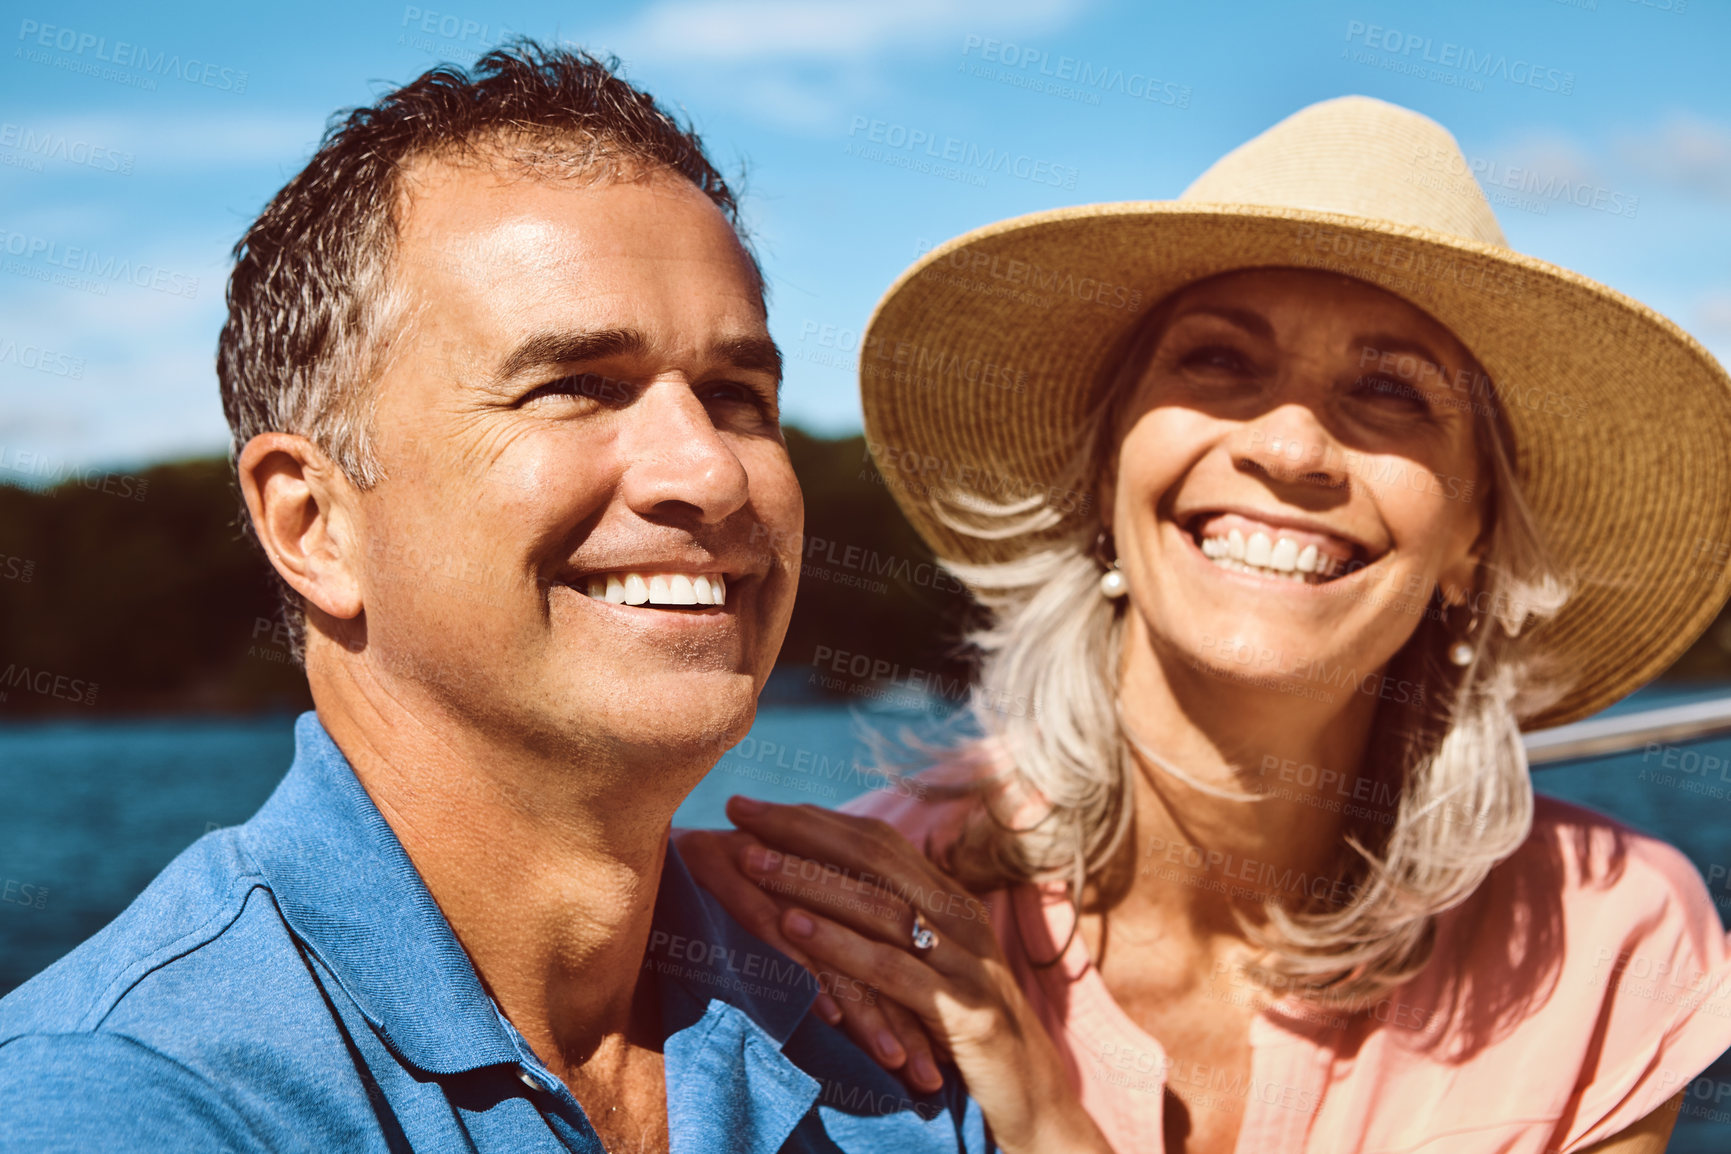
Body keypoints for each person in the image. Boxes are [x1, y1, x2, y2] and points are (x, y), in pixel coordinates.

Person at [0, 43, 1112, 1154]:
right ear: (311, 523)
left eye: (738, 395)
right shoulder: (123, 1096)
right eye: (578, 385)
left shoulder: (879, 1029)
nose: (711, 469)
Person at [678, 95, 1731, 1153]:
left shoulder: (1609, 934)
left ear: (1473, 535)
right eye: (1220, 361)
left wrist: (1047, 1124)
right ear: (1104, 471)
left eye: (1391, 390)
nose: (1292, 447)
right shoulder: (847, 925)